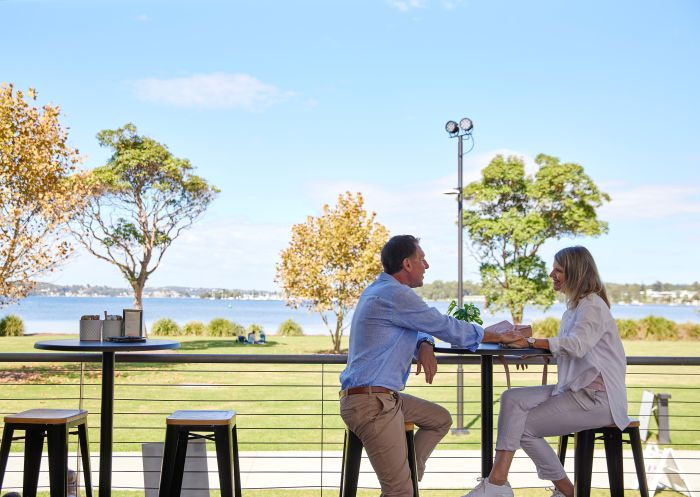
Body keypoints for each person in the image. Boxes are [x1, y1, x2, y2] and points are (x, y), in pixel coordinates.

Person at [339, 235, 524, 497]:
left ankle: (409, 472)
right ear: (407, 264)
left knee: (440, 419)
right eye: (422, 259)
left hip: (384, 397)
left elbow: (417, 326)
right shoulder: (396, 294)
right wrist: (497, 336)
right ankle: (405, 483)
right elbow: (444, 325)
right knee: (399, 492)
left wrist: (425, 342)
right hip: (372, 403)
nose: (426, 265)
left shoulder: (380, 290)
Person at [462, 246, 630, 497]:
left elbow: (577, 345)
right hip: (574, 390)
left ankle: (565, 491)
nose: (551, 273)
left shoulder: (592, 305)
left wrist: (532, 342)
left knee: (523, 427)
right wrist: (541, 351)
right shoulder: (574, 308)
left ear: (576, 273)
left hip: (597, 400)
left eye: (558, 269)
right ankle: (497, 483)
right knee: (511, 398)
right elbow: (578, 350)